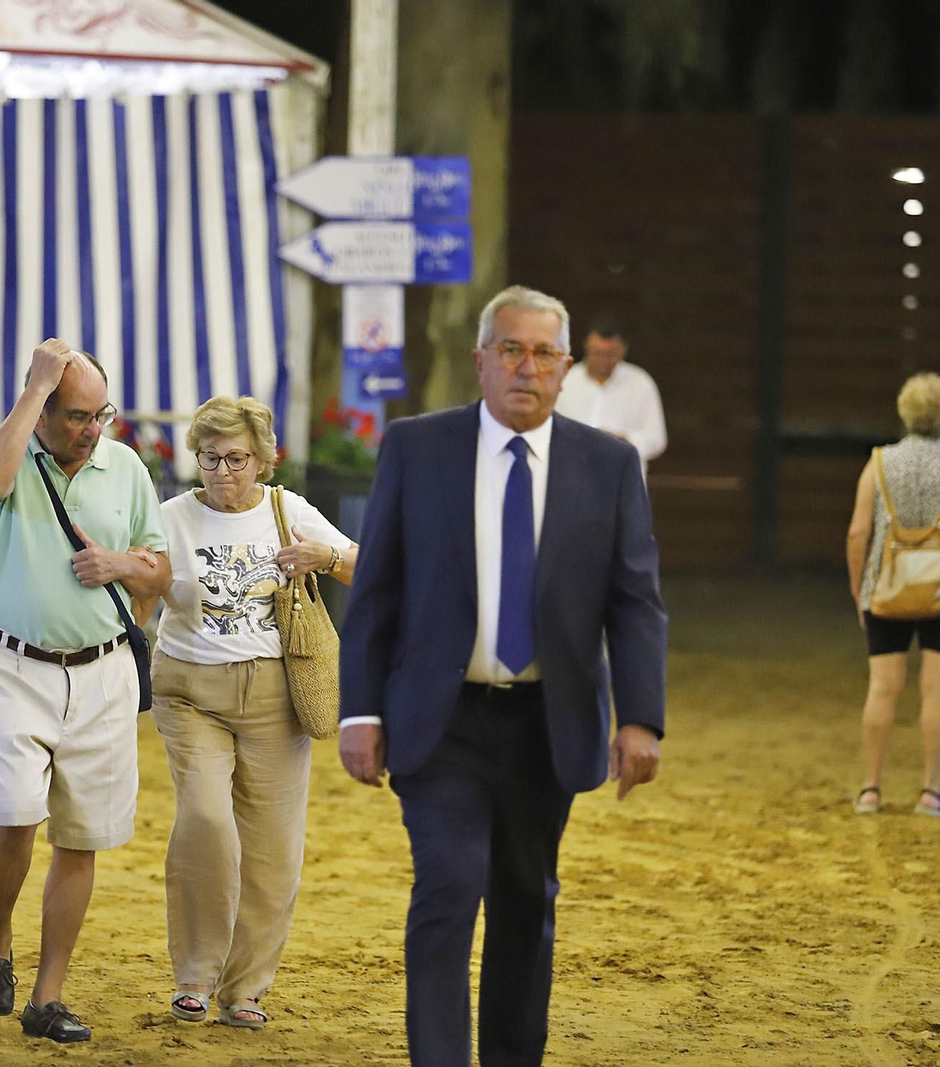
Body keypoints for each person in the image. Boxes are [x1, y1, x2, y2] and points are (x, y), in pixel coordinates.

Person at [339, 285, 667, 1067]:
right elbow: (377, 585)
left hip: (548, 722)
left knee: (526, 900)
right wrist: (360, 711)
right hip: (440, 716)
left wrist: (640, 716)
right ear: (481, 360)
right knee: (449, 886)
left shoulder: (609, 463)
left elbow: (634, 599)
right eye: (511, 350)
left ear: (567, 367)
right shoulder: (417, 447)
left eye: (544, 353)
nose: (528, 367)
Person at [0, 338, 170, 1043]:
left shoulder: (127, 466)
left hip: (104, 672)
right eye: (77, 415)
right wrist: (34, 387)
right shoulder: (7, 451)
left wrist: (121, 565)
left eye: (101, 414)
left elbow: (160, 568)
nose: (92, 429)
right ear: (44, 410)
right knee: (16, 809)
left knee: (81, 837)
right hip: (12, 664)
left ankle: (47, 997)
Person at [143, 395, 357, 1031]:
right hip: (189, 693)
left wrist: (325, 558)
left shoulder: (289, 511)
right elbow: (140, 588)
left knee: (272, 850)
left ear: (264, 460)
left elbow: (369, 568)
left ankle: (244, 989)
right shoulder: (170, 517)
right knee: (206, 821)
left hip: (275, 696)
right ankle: (195, 975)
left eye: (235, 459)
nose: (221, 472)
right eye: (209, 458)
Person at [845, 373, 940, 819]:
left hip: (886, 588)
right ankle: (931, 792)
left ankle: (871, 789)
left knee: (882, 687)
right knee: (936, 691)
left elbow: (858, 532)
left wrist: (859, 588)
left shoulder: (878, 463)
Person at [553, 316, 666, 477]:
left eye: (610, 354)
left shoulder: (640, 383)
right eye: (597, 353)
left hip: (622, 479)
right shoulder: (564, 381)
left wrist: (622, 440)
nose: (603, 360)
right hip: (572, 477)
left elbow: (657, 440)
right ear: (586, 345)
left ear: (623, 349)